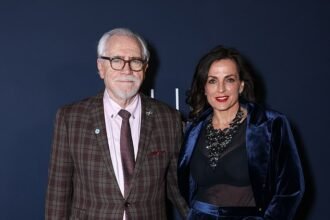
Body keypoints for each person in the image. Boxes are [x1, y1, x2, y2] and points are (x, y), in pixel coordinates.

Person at [45, 28, 188, 219]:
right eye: (117, 61)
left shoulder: (169, 119)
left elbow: (178, 189)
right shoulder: (71, 119)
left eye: (135, 61)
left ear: (145, 69)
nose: (127, 70)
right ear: (100, 67)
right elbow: (58, 193)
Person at [177, 45, 304, 220]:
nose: (221, 89)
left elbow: (290, 189)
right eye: (212, 80)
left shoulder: (270, 124)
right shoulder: (194, 129)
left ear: (241, 85)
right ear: (204, 87)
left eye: (229, 80)